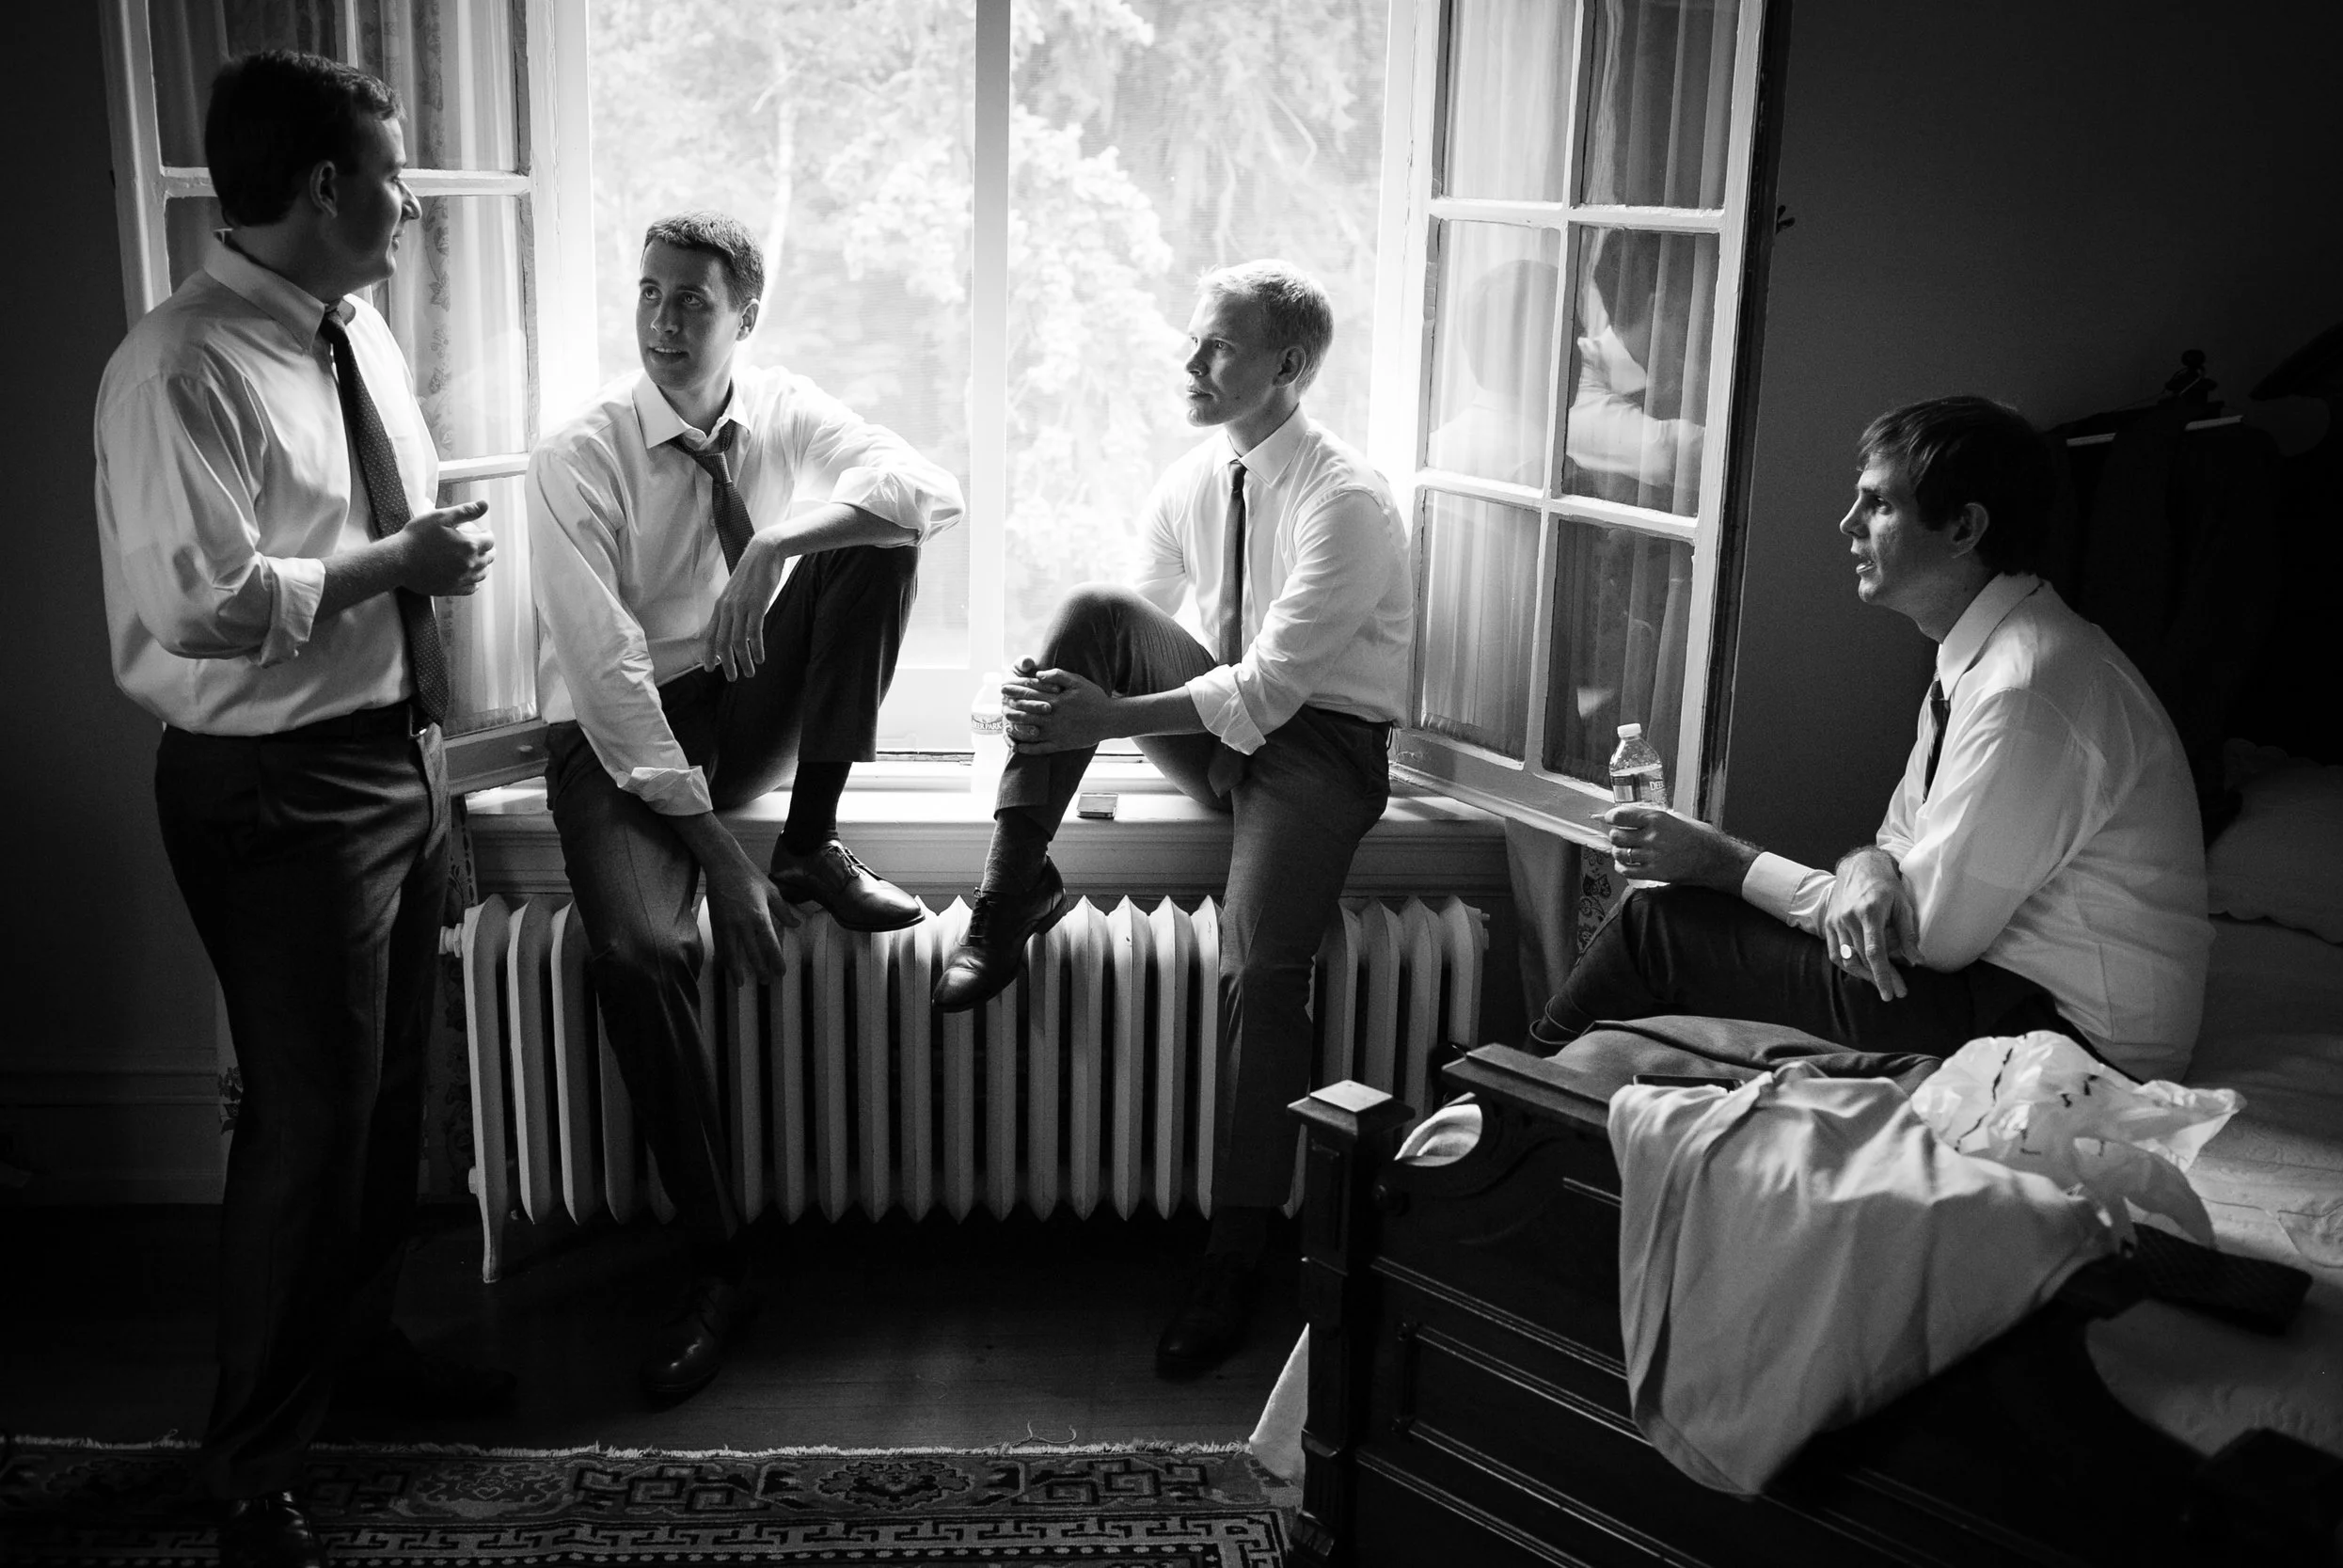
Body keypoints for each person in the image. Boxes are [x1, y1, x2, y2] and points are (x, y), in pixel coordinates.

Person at [92, 50, 510, 1568]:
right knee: (307, 1122)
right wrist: (400, 566)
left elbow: (356, 526)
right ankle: (250, 1468)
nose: (413, 205)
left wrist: (429, 715)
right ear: (327, 187)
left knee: (391, 1099)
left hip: (395, 756)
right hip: (276, 788)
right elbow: (201, 601)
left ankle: (362, 1348)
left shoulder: (354, 331)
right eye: (395, 178)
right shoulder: (177, 368)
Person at [928, 260, 1413, 1377]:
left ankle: (1234, 1252)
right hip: (1221, 729)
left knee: (1261, 969)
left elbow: (1272, 689)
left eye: (1218, 347)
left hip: (1322, 750)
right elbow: (1131, 633)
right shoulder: (1196, 478)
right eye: (1194, 340)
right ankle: (1010, 894)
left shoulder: (1345, 498)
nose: (1188, 363)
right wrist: (1043, 695)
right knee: (1092, 612)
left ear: (1287, 365)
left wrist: (1103, 714)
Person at [528, 210, 962, 1405]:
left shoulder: (782, 408)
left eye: (693, 301)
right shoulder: (579, 452)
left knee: (881, 535)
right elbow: (607, 676)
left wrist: (773, 544)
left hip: (741, 691)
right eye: (649, 293)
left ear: (746, 317)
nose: (664, 321)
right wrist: (719, 856)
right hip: (617, 735)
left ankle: (811, 839)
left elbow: (930, 489)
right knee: (637, 952)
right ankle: (718, 1261)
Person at [1544, 395, 2211, 1082]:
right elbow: (1899, 838)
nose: (1848, 522)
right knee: (1669, 922)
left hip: (2074, 1041)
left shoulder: (2024, 689)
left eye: (1880, 504)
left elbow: (1929, 937)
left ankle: (1510, 1097)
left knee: (1657, 927)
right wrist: (1866, 864)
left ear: (1964, 528)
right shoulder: (1979, 652)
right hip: (2002, 991)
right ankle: (1532, 1095)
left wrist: (1723, 861)